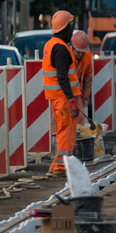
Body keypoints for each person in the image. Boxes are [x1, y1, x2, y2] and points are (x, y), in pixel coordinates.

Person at [42, 11, 82, 177]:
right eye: (71, 27)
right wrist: (72, 100)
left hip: (56, 96)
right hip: (63, 97)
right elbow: (62, 77)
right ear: (67, 28)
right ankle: (60, 167)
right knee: (66, 131)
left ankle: (56, 165)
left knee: (62, 131)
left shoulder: (51, 45)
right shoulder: (61, 49)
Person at [71, 30, 93, 116]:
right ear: (73, 47)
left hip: (78, 94)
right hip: (65, 95)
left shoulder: (87, 56)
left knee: (80, 119)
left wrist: (86, 95)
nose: (80, 54)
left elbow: (88, 78)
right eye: (78, 51)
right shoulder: (67, 56)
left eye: (82, 52)